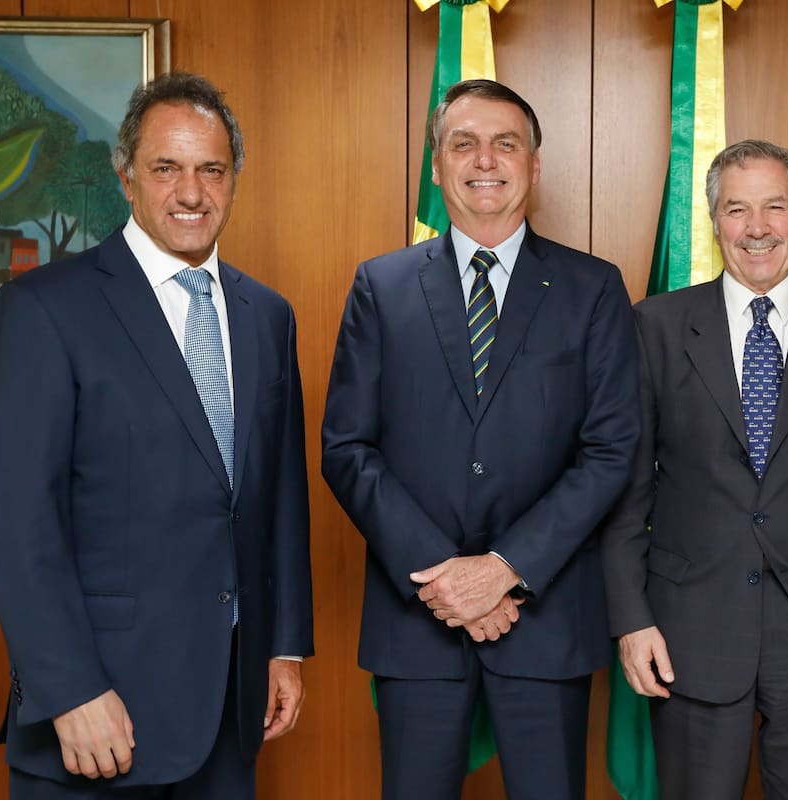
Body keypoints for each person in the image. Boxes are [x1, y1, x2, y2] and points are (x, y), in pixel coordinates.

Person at [0, 72, 313, 799]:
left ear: (234, 179)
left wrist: (283, 646)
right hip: (97, 720)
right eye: (166, 168)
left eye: (211, 170)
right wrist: (69, 691)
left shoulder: (268, 315)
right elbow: (16, 523)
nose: (191, 193)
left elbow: (278, 499)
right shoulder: (43, 311)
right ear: (126, 174)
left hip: (230, 716)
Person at [321, 79, 640, 800]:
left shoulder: (593, 289)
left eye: (506, 144)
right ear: (436, 167)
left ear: (533, 165)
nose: (484, 160)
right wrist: (447, 578)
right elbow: (347, 448)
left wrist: (504, 568)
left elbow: (611, 448)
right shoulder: (382, 285)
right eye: (462, 143)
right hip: (418, 624)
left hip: (545, 617)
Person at [601, 139, 788, 800]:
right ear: (715, 223)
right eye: (738, 210)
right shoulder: (654, 325)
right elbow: (626, 490)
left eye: (775, 206)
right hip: (686, 631)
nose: (757, 227)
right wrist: (631, 618)